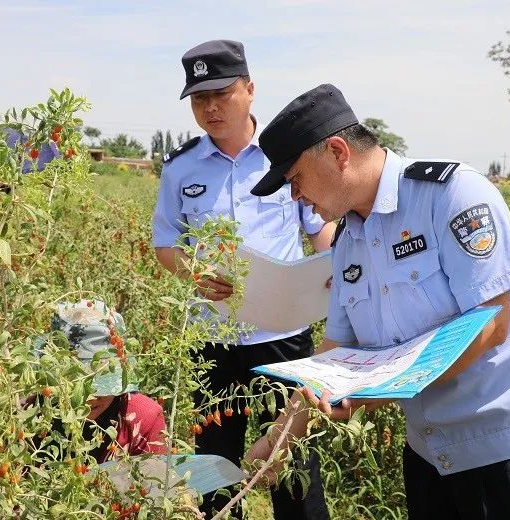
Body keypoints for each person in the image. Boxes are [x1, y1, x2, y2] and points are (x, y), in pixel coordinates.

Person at [245, 84, 510, 519]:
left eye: (295, 180)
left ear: (337, 151)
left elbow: (491, 324)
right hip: (432, 456)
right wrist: (282, 437)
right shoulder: (349, 241)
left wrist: (372, 391)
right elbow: (334, 352)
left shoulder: (451, 196)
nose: (295, 197)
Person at [151, 40, 334, 519]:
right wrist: (193, 272)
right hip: (212, 338)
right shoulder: (180, 168)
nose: (210, 107)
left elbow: (321, 228)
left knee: (291, 460)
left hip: (283, 335)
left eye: (222, 93)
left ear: (250, 90)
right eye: (198, 98)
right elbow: (165, 242)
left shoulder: (285, 155)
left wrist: (337, 275)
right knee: (214, 464)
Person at [37, 300, 167, 459]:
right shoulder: (34, 415)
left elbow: (155, 481)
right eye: (78, 383)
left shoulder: (144, 419)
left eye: (103, 383)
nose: (92, 396)